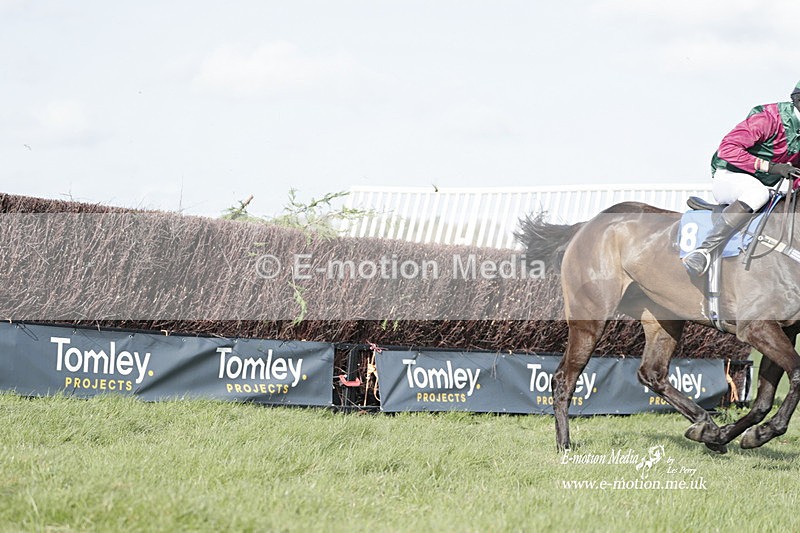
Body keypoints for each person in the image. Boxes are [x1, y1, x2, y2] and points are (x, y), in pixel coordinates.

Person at [682, 81, 800, 277]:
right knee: (757, 193)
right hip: (729, 176)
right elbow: (727, 148)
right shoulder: (768, 119)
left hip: (762, 184)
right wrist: (770, 167)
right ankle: (703, 251)